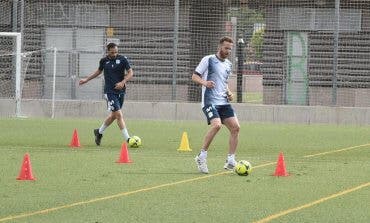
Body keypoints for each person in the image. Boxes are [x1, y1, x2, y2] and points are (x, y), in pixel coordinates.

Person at [192, 36, 240, 174]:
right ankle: (201, 156)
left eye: (230, 49)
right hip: (209, 101)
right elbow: (194, 76)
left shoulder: (229, 65)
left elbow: (224, 83)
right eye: (226, 48)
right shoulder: (208, 60)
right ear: (220, 47)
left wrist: (230, 93)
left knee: (236, 128)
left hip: (223, 102)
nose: (228, 51)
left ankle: (231, 160)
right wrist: (205, 83)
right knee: (217, 125)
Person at [79, 42, 133, 146]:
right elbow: (98, 72)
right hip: (109, 92)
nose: (114, 54)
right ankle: (128, 139)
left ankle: (99, 132)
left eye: (116, 52)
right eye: (112, 52)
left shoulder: (123, 59)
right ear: (107, 51)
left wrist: (123, 82)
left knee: (113, 116)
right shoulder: (104, 61)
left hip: (121, 91)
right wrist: (86, 79)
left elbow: (131, 72)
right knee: (119, 115)